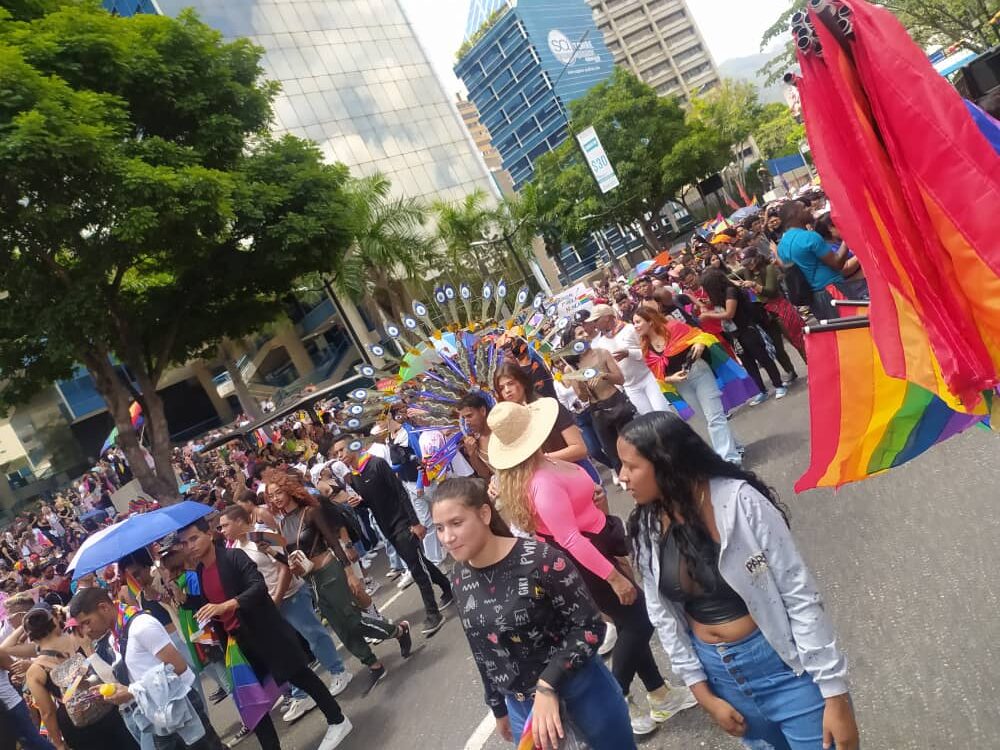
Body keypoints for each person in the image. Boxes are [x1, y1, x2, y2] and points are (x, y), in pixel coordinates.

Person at [618, 413, 860, 750]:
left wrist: (835, 693)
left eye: (631, 466)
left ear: (666, 463)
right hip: (722, 680)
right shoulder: (647, 527)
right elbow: (664, 616)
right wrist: (703, 694)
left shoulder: (740, 503)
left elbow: (799, 594)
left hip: (786, 670)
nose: (621, 477)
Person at [488, 400, 696, 736]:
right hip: (586, 559)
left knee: (630, 622)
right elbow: (569, 538)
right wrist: (613, 577)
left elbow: (573, 511)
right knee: (640, 620)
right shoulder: (541, 480)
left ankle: (659, 693)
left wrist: (595, 499)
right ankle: (618, 693)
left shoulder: (540, 465)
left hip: (595, 545)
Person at [429, 477, 636, 750]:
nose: (447, 537)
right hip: (523, 711)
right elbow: (481, 646)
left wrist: (547, 685)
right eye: (439, 528)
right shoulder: (459, 576)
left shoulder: (542, 560)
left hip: (582, 694)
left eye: (456, 523)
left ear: (484, 514)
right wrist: (498, 706)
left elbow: (590, 627)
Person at [172, 520, 352, 750]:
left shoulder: (234, 557)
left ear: (209, 534)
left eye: (194, 538)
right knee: (253, 704)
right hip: (236, 644)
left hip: (264, 632)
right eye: (184, 543)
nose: (190, 546)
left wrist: (228, 605)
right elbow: (211, 604)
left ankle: (338, 720)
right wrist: (185, 600)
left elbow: (257, 587)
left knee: (300, 676)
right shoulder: (200, 571)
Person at [261, 469, 411, 691]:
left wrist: (350, 574)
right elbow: (292, 558)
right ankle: (373, 665)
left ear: (289, 490)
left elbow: (332, 541)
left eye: (278, 492)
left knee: (352, 620)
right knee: (340, 628)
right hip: (311, 580)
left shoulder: (311, 512)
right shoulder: (283, 524)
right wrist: (272, 552)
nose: (275, 498)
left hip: (330, 571)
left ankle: (398, 631)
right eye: (271, 496)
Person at [217, 504, 353, 721]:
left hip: (290, 596)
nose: (222, 530)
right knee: (286, 652)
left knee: (313, 635)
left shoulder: (263, 536)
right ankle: (301, 694)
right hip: (267, 606)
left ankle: (339, 671)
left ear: (240, 521)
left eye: (225, 525)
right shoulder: (234, 548)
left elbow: (285, 567)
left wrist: (277, 598)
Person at [67, 589, 220, 750]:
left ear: (104, 608)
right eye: (81, 626)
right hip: (156, 711)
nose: (86, 630)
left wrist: (132, 691)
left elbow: (178, 667)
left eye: (87, 622)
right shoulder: (115, 637)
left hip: (181, 706)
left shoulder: (141, 626)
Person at [332, 438, 454, 636]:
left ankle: (433, 614)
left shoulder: (376, 464)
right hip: (387, 528)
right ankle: (447, 586)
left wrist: (415, 522)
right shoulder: (354, 476)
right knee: (418, 562)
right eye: (336, 453)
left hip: (402, 523)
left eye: (341, 450)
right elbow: (370, 503)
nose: (339, 456)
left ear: (354, 446)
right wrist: (359, 504)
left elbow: (400, 492)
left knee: (417, 569)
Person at [632, 307, 743, 465]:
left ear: (650, 321)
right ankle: (736, 446)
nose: (635, 326)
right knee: (708, 419)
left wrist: (700, 343)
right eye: (634, 323)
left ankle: (729, 460)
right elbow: (658, 375)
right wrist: (671, 378)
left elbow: (700, 335)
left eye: (638, 322)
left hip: (700, 373)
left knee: (714, 417)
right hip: (681, 385)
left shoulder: (673, 327)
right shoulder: (645, 348)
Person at [21, 605, 136, 750]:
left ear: (31, 638)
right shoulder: (81, 638)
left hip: (76, 723)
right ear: (54, 622)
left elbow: (48, 712)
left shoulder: (36, 670)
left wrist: (58, 743)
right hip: (108, 703)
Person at [493, 362, 598, 483]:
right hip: (545, 484)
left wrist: (542, 460)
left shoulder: (549, 406)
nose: (507, 390)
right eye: (501, 388)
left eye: (510, 383)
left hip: (576, 475)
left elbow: (579, 449)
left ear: (522, 382)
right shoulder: (509, 423)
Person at [699, 268, 787, 405]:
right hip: (734, 334)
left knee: (763, 358)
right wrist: (707, 304)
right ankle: (761, 390)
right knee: (748, 364)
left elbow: (729, 314)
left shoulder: (730, 291)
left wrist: (707, 315)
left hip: (747, 330)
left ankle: (779, 385)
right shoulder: (720, 295)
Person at [776, 201, 868, 320]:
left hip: (814, 299)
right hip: (833, 291)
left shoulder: (782, 246)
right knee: (856, 323)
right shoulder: (809, 237)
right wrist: (846, 238)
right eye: (804, 208)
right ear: (794, 214)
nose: (809, 209)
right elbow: (837, 263)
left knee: (837, 329)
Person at [564, 331, 634, 475]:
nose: (585, 334)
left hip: (617, 403)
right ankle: (628, 481)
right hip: (598, 411)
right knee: (613, 454)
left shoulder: (602, 353)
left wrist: (604, 375)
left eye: (584, 331)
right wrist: (579, 383)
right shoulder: (571, 367)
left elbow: (621, 380)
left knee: (634, 444)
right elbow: (583, 398)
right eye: (579, 333)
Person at [586, 304, 674, 416]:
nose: (594, 324)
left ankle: (685, 424)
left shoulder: (630, 329)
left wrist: (629, 353)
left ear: (606, 317)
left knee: (664, 413)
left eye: (596, 320)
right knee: (650, 419)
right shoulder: (601, 343)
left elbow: (651, 353)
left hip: (649, 377)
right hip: (631, 387)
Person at [739, 248, 807, 363]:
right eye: (745, 264)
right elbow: (727, 276)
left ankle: (812, 364)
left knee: (799, 340)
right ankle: (791, 369)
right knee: (778, 348)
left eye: (750, 262)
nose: (749, 265)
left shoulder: (769, 268)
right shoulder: (746, 272)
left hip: (780, 309)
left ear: (757, 258)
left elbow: (771, 291)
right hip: (766, 313)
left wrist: (754, 285)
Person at [457, 391, 495, 480]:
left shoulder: (500, 432)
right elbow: (484, 474)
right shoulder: (474, 440)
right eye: (464, 418)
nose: (466, 422)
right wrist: (472, 453)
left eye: (469, 416)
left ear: (483, 411)